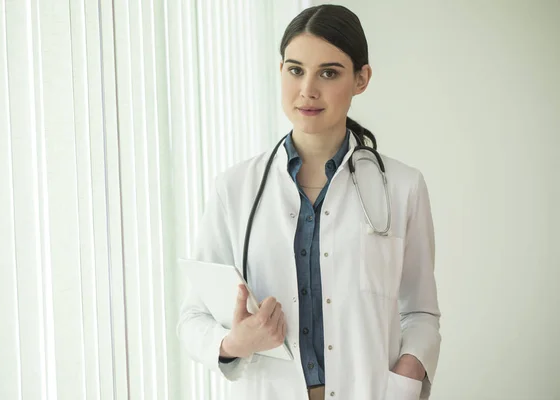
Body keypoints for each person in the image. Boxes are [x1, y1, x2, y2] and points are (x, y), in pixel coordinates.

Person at [177, 4, 441, 400]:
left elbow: (420, 312)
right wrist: (235, 343)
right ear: (280, 69)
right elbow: (192, 320)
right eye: (296, 70)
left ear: (361, 79)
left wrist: (406, 377)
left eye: (329, 73)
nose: (308, 90)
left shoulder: (402, 187)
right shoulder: (234, 189)